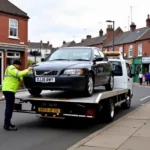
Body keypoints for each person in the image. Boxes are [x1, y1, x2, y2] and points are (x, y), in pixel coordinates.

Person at [2, 59, 33, 131]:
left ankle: (8, 123)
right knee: (9, 108)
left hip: (9, 90)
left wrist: (27, 73)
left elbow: (20, 77)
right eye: (19, 66)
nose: (19, 68)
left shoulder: (13, 70)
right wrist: (28, 69)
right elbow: (18, 74)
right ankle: (7, 125)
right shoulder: (11, 68)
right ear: (16, 64)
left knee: (10, 107)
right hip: (8, 90)